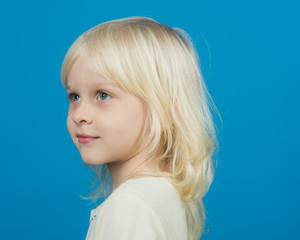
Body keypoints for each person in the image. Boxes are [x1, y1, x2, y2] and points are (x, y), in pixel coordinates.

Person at [61, 16, 219, 240]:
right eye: (74, 96)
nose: (79, 115)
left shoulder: (129, 207)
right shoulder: (160, 194)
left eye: (103, 95)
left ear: (163, 110)